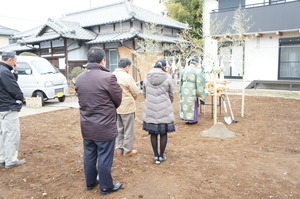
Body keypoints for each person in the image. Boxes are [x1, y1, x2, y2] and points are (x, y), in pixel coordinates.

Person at [75, 47, 123, 195]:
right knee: (104, 155)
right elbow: (118, 99)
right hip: (104, 125)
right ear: (103, 60)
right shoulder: (107, 77)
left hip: (87, 124)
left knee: (89, 154)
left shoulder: (79, 78)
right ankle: (106, 186)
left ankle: (90, 182)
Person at [142, 58, 175, 164]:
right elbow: (171, 93)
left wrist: (149, 100)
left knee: (153, 133)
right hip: (164, 108)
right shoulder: (168, 77)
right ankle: (161, 156)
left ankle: (155, 155)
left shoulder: (147, 76)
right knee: (164, 133)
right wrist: (168, 102)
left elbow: (144, 92)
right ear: (164, 67)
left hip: (151, 108)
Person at [0, 50, 26, 169]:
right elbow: (13, 89)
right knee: (12, 134)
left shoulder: (4, 70)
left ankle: (3, 158)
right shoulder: (4, 72)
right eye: (15, 60)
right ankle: (11, 160)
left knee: (3, 134)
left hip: (2, 107)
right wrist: (21, 98)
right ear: (10, 60)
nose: (16, 62)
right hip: (8, 107)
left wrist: (14, 72)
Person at [113, 57, 140, 156]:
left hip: (116, 107)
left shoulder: (112, 75)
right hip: (127, 107)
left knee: (119, 128)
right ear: (127, 66)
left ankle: (119, 149)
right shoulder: (127, 76)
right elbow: (135, 91)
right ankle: (127, 150)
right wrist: (134, 98)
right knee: (128, 129)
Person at [179, 56, 206, 124]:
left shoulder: (184, 70)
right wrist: (200, 92)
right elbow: (200, 82)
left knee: (185, 103)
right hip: (192, 89)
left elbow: (180, 82)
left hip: (184, 88)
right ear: (196, 64)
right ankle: (192, 120)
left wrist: (180, 90)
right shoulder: (196, 71)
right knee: (192, 104)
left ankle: (186, 119)